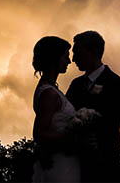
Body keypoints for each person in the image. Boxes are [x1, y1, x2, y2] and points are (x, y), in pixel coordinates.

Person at [65, 31, 120, 183]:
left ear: (92, 51)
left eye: (77, 53)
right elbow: (66, 114)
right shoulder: (76, 84)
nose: (73, 59)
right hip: (74, 161)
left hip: (103, 164)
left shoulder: (116, 84)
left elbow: (111, 122)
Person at [32, 36, 81, 183]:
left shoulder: (52, 89)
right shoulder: (49, 94)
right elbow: (39, 133)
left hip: (65, 162)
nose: (69, 61)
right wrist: (75, 141)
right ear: (54, 58)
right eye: (65, 56)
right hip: (59, 166)